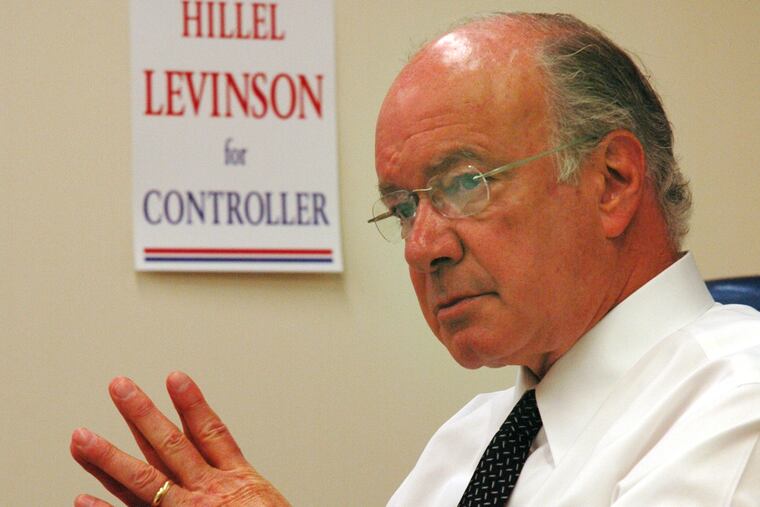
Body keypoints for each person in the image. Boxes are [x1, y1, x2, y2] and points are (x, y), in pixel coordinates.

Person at [71, 12, 760, 506]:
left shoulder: (737, 399)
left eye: (466, 182)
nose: (422, 245)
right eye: (403, 207)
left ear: (611, 180)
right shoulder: (471, 440)